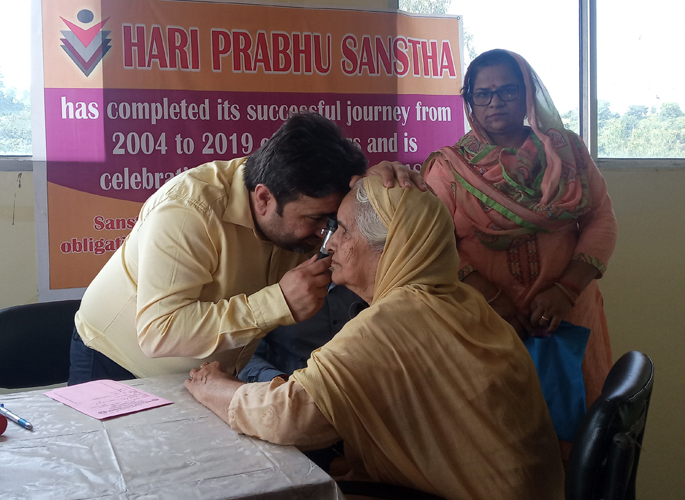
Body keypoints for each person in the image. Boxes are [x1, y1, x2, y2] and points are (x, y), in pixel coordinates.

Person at [185, 178, 565, 500]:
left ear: (390, 243)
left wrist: (211, 386)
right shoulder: (463, 302)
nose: (329, 244)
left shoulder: (396, 320)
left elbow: (290, 416)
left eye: (343, 230)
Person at [69, 112, 422, 384]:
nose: (323, 235)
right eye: (315, 219)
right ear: (265, 198)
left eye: (331, 220)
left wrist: (379, 191)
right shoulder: (190, 211)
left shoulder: (295, 210)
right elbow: (161, 332)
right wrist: (278, 303)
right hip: (115, 360)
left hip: (204, 373)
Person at [422, 49, 617, 408]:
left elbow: (600, 220)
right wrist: (494, 301)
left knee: (578, 427)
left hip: (568, 314)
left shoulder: (567, 151)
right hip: (485, 320)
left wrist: (566, 290)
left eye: (508, 91)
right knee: (499, 431)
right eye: (483, 93)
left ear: (527, 93)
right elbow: (434, 246)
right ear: (471, 100)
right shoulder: (448, 167)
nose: (495, 102)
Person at [237, 283, 365, 383]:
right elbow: (243, 357)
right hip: (288, 395)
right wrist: (279, 381)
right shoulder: (273, 282)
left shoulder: (375, 282)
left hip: (356, 395)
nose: (330, 247)